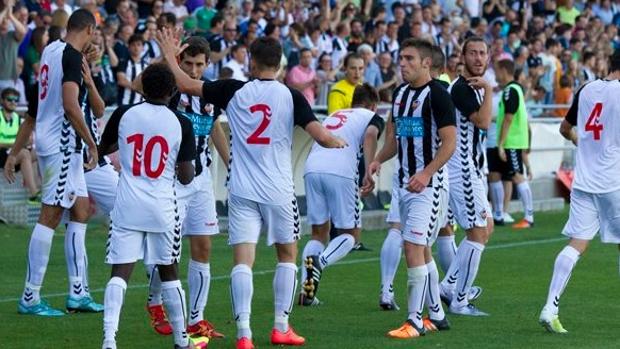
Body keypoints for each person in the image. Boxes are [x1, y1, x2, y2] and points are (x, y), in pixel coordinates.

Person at [157, 31, 346, 349]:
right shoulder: (291, 96)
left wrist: (167, 54)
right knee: (287, 256)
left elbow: (187, 85)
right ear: (280, 63)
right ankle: (280, 327)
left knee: (242, 260)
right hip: (278, 190)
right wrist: (339, 141)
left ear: (252, 60)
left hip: (242, 188)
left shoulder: (234, 90)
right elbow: (322, 136)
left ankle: (244, 334)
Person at [4, 9, 100, 316]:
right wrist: (91, 142)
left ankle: (77, 292)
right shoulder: (70, 56)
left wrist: (12, 153)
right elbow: (72, 105)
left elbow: (33, 109)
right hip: (62, 144)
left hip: (52, 141)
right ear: (89, 29)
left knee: (81, 208)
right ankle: (30, 296)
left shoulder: (51, 51)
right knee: (51, 214)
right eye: (93, 33)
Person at [134, 35, 229, 339]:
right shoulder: (169, 85)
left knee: (203, 246)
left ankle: (196, 319)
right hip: (171, 179)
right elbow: (138, 85)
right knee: (170, 249)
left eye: (198, 64)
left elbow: (214, 126)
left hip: (201, 179)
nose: (193, 69)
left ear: (207, 64)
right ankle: (155, 301)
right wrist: (167, 58)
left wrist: (231, 163)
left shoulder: (211, 90)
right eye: (187, 62)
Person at [98, 62, 197, 349]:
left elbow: (104, 148)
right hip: (163, 207)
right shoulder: (181, 122)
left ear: (142, 87)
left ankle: (108, 340)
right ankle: (181, 340)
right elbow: (187, 176)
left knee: (120, 274)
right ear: (173, 90)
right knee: (169, 273)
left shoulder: (124, 113)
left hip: (128, 204)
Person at [365, 38, 456, 339]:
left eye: (408, 58)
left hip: (429, 187)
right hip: (406, 184)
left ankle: (415, 321)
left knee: (413, 247)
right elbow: (394, 139)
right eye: (400, 58)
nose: (401, 63)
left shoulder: (439, 96)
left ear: (426, 63)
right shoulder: (401, 94)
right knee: (422, 249)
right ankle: (438, 315)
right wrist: (377, 161)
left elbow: (449, 143)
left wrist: (427, 173)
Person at [539, 50, 620, 334]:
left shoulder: (587, 89)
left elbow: (565, 128)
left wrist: (582, 144)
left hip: (584, 181)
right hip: (614, 182)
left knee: (577, 243)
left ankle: (550, 308)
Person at [298, 84, 385, 307]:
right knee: (351, 235)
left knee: (319, 233)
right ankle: (321, 262)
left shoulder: (335, 114)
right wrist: (368, 169)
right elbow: (371, 134)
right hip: (340, 171)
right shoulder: (372, 116)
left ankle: (307, 290)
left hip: (312, 168)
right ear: (373, 105)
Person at [439, 37, 494, 316]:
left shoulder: (475, 87)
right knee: (477, 232)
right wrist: (490, 89)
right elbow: (484, 122)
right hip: (461, 169)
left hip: (472, 168)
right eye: (472, 53)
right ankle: (460, 300)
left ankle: (448, 285)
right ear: (462, 57)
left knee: (487, 228)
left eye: (482, 53)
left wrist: (486, 90)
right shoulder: (461, 88)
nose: (478, 58)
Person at [492, 59, 535, 228]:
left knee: (517, 176)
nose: (495, 74)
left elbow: (509, 118)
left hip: (511, 143)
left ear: (503, 70)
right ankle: (500, 214)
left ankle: (529, 217)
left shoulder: (510, 90)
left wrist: (502, 144)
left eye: (496, 70)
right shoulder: (513, 90)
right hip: (510, 142)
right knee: (498, 174)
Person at [0, 88, 39, 202]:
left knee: (39, 153)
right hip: (2, 153)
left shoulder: (18, 119)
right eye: (10, 99)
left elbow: (27, 140)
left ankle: (39, 187)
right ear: (2, 101)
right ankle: (33, 193)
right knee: (24, 153)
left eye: (16, 100)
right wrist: (16, 145)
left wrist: (26, 142)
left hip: (13, 153)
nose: (13, 102)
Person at [116, 34, 148, 105]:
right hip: (124, 103)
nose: (136, 47)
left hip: (141, 104)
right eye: (133, 45)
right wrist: (137, 88)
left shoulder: (146, 65)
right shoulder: (124, 62)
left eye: (139, 45)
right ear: (129, 47)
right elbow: (121, 80)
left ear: (143, 47)